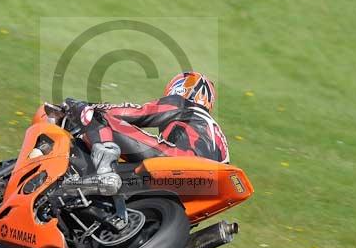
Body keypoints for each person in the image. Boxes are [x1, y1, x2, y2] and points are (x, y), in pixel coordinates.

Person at [62, 71, 230, 196]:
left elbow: (137, 113)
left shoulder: (183, 104)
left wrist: (86, 107)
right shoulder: (220, 136)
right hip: (203, 188)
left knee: (99, 117)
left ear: (180, 88)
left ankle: (104, 174)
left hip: (176, 163)